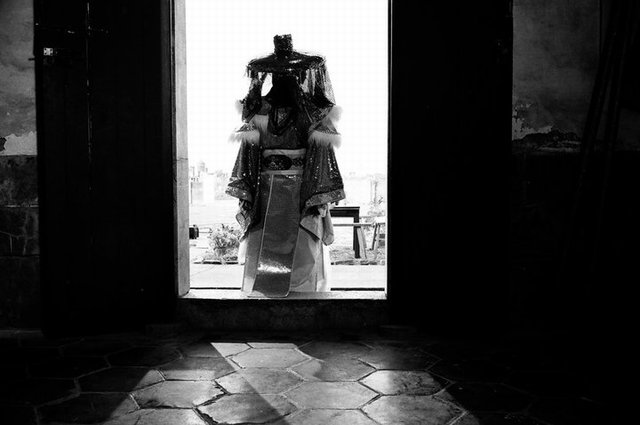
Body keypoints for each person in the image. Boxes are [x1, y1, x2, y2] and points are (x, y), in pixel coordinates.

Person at [226, 34, 345, 297]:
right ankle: (265, 298)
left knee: (302, 250)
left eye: (287, 75)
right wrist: (248, 192)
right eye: (279, 76)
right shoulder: (260, 111)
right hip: (266, 191)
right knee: (264, 247)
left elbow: (321, 156)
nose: (283, 79)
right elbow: (248, 155)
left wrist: (317, 196)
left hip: (300, 192)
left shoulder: (310, 113)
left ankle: (302, 300)